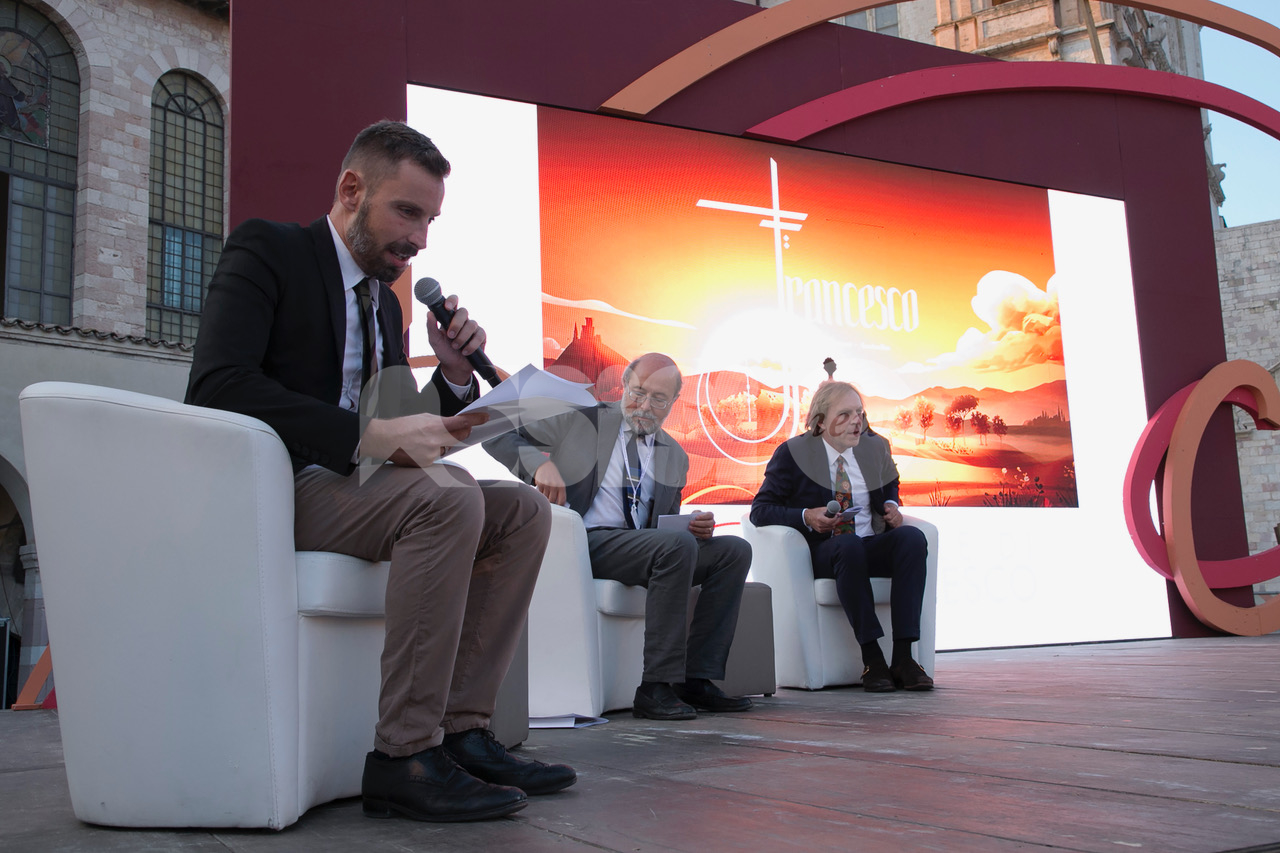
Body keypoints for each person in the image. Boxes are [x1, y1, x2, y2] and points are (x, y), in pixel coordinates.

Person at [185, 120, 575, 823]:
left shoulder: (383, 306)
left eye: (429, 221)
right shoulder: (269, 250)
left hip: (357, 488)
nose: (419, 239)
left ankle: (463, 732)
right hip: (282, 484)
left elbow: (404, 435)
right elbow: (218, 385)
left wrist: (453, 381)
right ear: (350, 190)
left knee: (522, 511)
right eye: (407, 212)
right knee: (448, 500)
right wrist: (365, 436)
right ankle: (404, 756)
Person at [484, 353, 754, 720]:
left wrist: (691, 524)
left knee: (734, 550)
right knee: (675, 547)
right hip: (587, 541)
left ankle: (697, 678)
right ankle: (656, 686)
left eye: (659, 399)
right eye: (638, 392)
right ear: (624, 386)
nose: (645, 405)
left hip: (644, 547)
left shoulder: (675, 455)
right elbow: (496, 432)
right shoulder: (583, 419)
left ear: (673, 403)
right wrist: (539, 465)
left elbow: (664, 525)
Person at [750, 381, 933, 692]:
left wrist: (891, 504)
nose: (856, 422)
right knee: (848, 545)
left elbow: (891, 481)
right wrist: (807, 516)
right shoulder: (793, 453)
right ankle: (872, 659)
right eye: (845, 415)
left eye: (859, 413)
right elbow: (761, 510)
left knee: (912, 539)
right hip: (826, 550)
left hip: (868, 544)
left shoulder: (874, 448)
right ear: (821, 421)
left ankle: (904, 658)